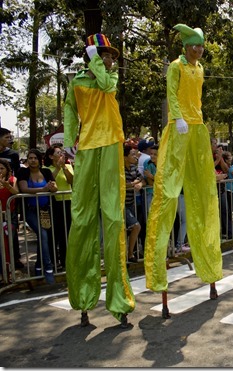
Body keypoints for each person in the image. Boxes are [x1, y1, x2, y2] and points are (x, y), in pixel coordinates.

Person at [145, 24, 223, 304]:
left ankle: (211, 269)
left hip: (197, 128)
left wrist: (196, 124)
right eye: (195, 45)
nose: (199, 49)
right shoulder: (175, 67)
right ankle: (156, 274)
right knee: (167, 195)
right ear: (186, 46)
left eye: (201, 45)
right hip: (178, 129)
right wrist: (176, 117)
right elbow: (171, 92)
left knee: (204, 196)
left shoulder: (199, 68)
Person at [64, 33, 135, 328]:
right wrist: (69, 138)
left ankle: (119, 301)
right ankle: (82, 297)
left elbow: (106, 84)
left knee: (114, 219)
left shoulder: (109, 78)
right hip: (87, 149)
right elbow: (70, 108)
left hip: (110, 147)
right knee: (81, 220)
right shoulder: (77, 81)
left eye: (111, 55)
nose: (110, 59)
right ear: (91, 54)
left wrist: (100, 64)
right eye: (105, 54)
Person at [17, 149, 58, 284]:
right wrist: (43, 189)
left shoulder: (46, 172)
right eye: (30, 158)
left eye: (35, 158)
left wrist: (52, 187)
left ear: (39, 160)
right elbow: (24, 189)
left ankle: (39, 267)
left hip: (46, 210)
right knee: (43, 235)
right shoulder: (23, 172)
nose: (32, 160)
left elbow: (54, 186)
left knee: (44, 237)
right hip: (30, 211)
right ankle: (48, 267)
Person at [44, 144, 73, 270]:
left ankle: (66, 260)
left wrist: (64, 168)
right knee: (54, 233)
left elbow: (71, 181)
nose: (61, 154)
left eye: (61, 152)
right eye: (57, 153)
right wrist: (57, 168)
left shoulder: (67, 165)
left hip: (67, 201)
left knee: (66, 233)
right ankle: (54, 261)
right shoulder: (46, 168)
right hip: (54, 203)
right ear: (51, 156)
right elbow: (49, 181)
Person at [0, 128, 23, 270]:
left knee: (12, 232)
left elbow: (17, 174)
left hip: (10, 199)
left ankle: (15, 260)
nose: (10, 139)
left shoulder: (13, 154)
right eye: (7, 137)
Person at [123, 145, 145, 262]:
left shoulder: (133, 167)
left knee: (131, 229)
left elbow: (142, 179)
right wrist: (133, 183)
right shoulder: (119, 168)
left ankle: (130, 253)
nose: (135, 157)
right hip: (122, 205)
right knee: (136, 226)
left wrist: (140, 184)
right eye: (132, 154)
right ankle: (130, 254)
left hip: (131, 203)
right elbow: (120, 183)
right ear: (125, 157)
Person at [0, 159, 18, 277]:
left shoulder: (12, 180)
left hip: (9, 218)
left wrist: (8, 186)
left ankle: (9, 272)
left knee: (8, 245)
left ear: (7, 169)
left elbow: (17, 192)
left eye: (1, 168)